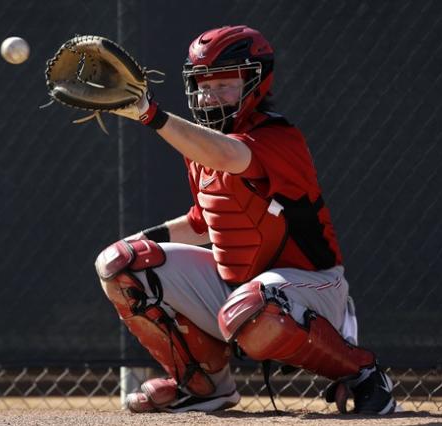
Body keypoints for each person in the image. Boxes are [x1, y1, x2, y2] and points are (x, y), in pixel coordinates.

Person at [94, 25, 396, 415]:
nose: (210, 94)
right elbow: (203, 223)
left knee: (251, 305)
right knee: (119, 263)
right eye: (203, 84)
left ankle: (365, 373)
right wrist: (136, 241)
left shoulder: (279, 137)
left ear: (256, 82)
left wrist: (151, 115)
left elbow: (230, 157)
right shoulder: (199, 143)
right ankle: (203, 385)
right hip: (239, 289)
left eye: (225, 83)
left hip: (313, 287)